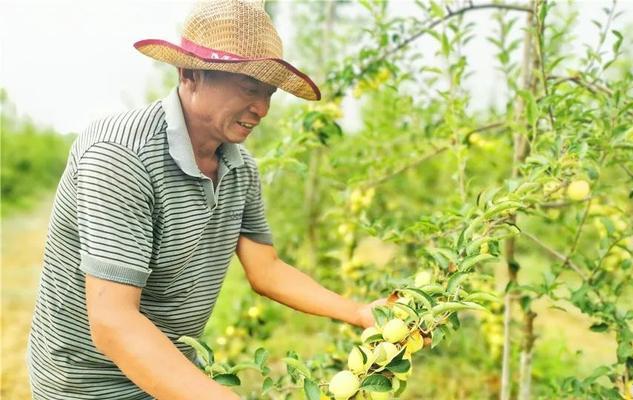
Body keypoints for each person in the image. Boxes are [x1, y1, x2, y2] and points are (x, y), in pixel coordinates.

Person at [26, 1, 384, 399]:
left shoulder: (240, 168)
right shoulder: (121, 156)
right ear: (191, 74)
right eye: (250, 87)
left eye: (268, 92)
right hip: (88, 384)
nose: (262, 108)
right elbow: (114, 322)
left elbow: (266, 269)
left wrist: (357, 312)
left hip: (173, 370)